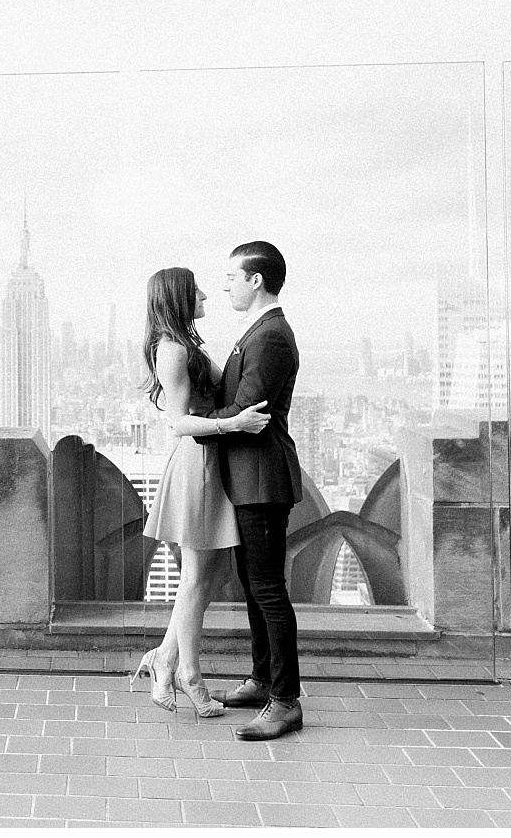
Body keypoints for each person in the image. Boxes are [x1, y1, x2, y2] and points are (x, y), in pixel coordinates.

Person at [130, 267, 270, 718]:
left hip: (210, 462)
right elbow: (177, 421)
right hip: (198, 463)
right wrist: (234, 424)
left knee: (207, 575)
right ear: (178, 297)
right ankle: (189, 674)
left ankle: (164, 659)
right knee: (196, 577)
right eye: (196, 290)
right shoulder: (172, 350)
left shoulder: (184, 345)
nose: (206, 293)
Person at [194, 241, 305, 741]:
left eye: (232, 278)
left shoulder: (270, 338)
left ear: (256, 280)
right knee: (255, 587)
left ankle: (285, 700)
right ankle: (263, 680)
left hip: (261, 478)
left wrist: (190, 423)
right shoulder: (258, 333)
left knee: (268, 591)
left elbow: (247, 415)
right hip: (249, 479)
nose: (225, 286)